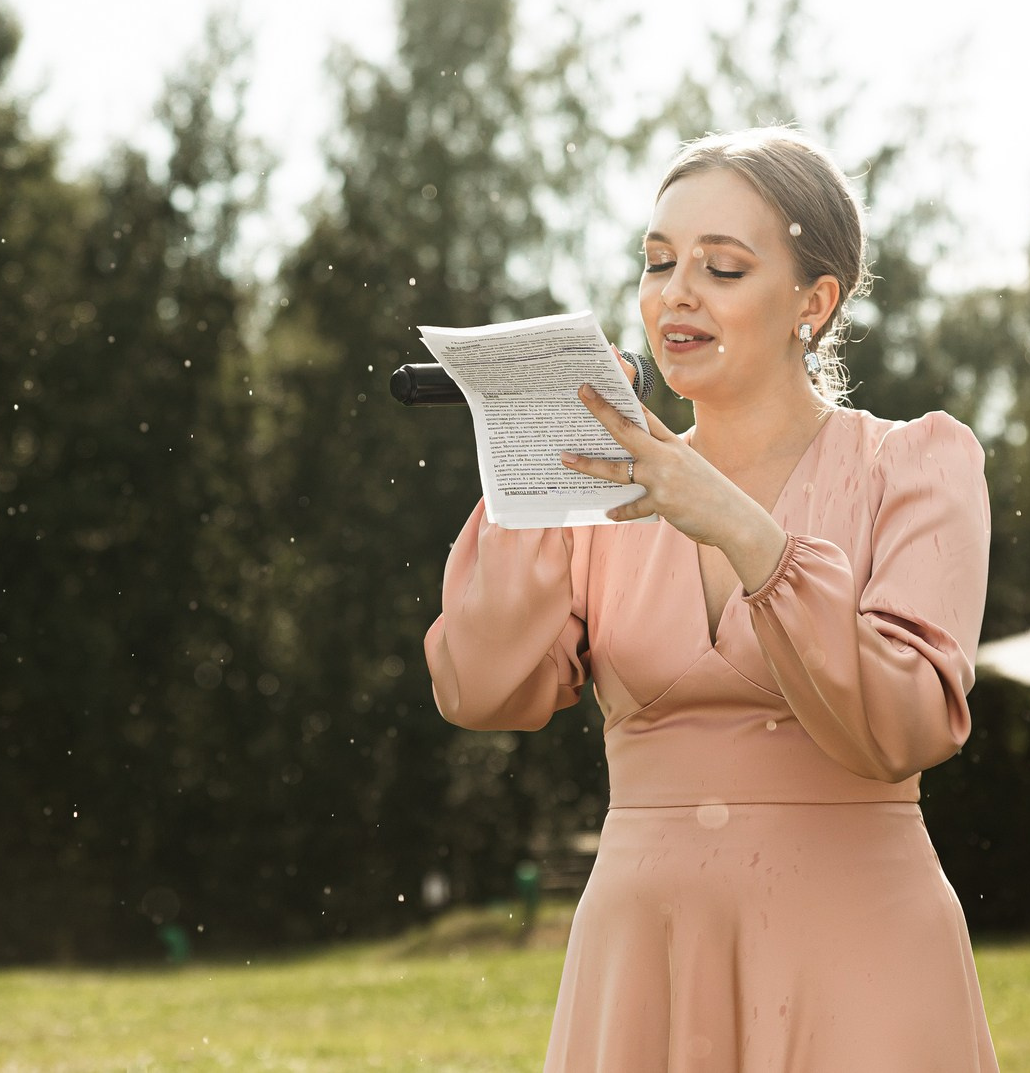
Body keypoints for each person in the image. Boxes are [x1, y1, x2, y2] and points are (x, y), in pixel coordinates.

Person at [422, 126, 998, 1071]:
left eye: (722, 268)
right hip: (644, 965)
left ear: (813, 303)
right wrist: (532, 461)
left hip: (861, 961)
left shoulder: (916, 466)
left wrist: (744, 532)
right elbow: (483, 689)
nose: (675, 293)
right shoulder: (602, 489)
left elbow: (906, 725)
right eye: (657, 262)